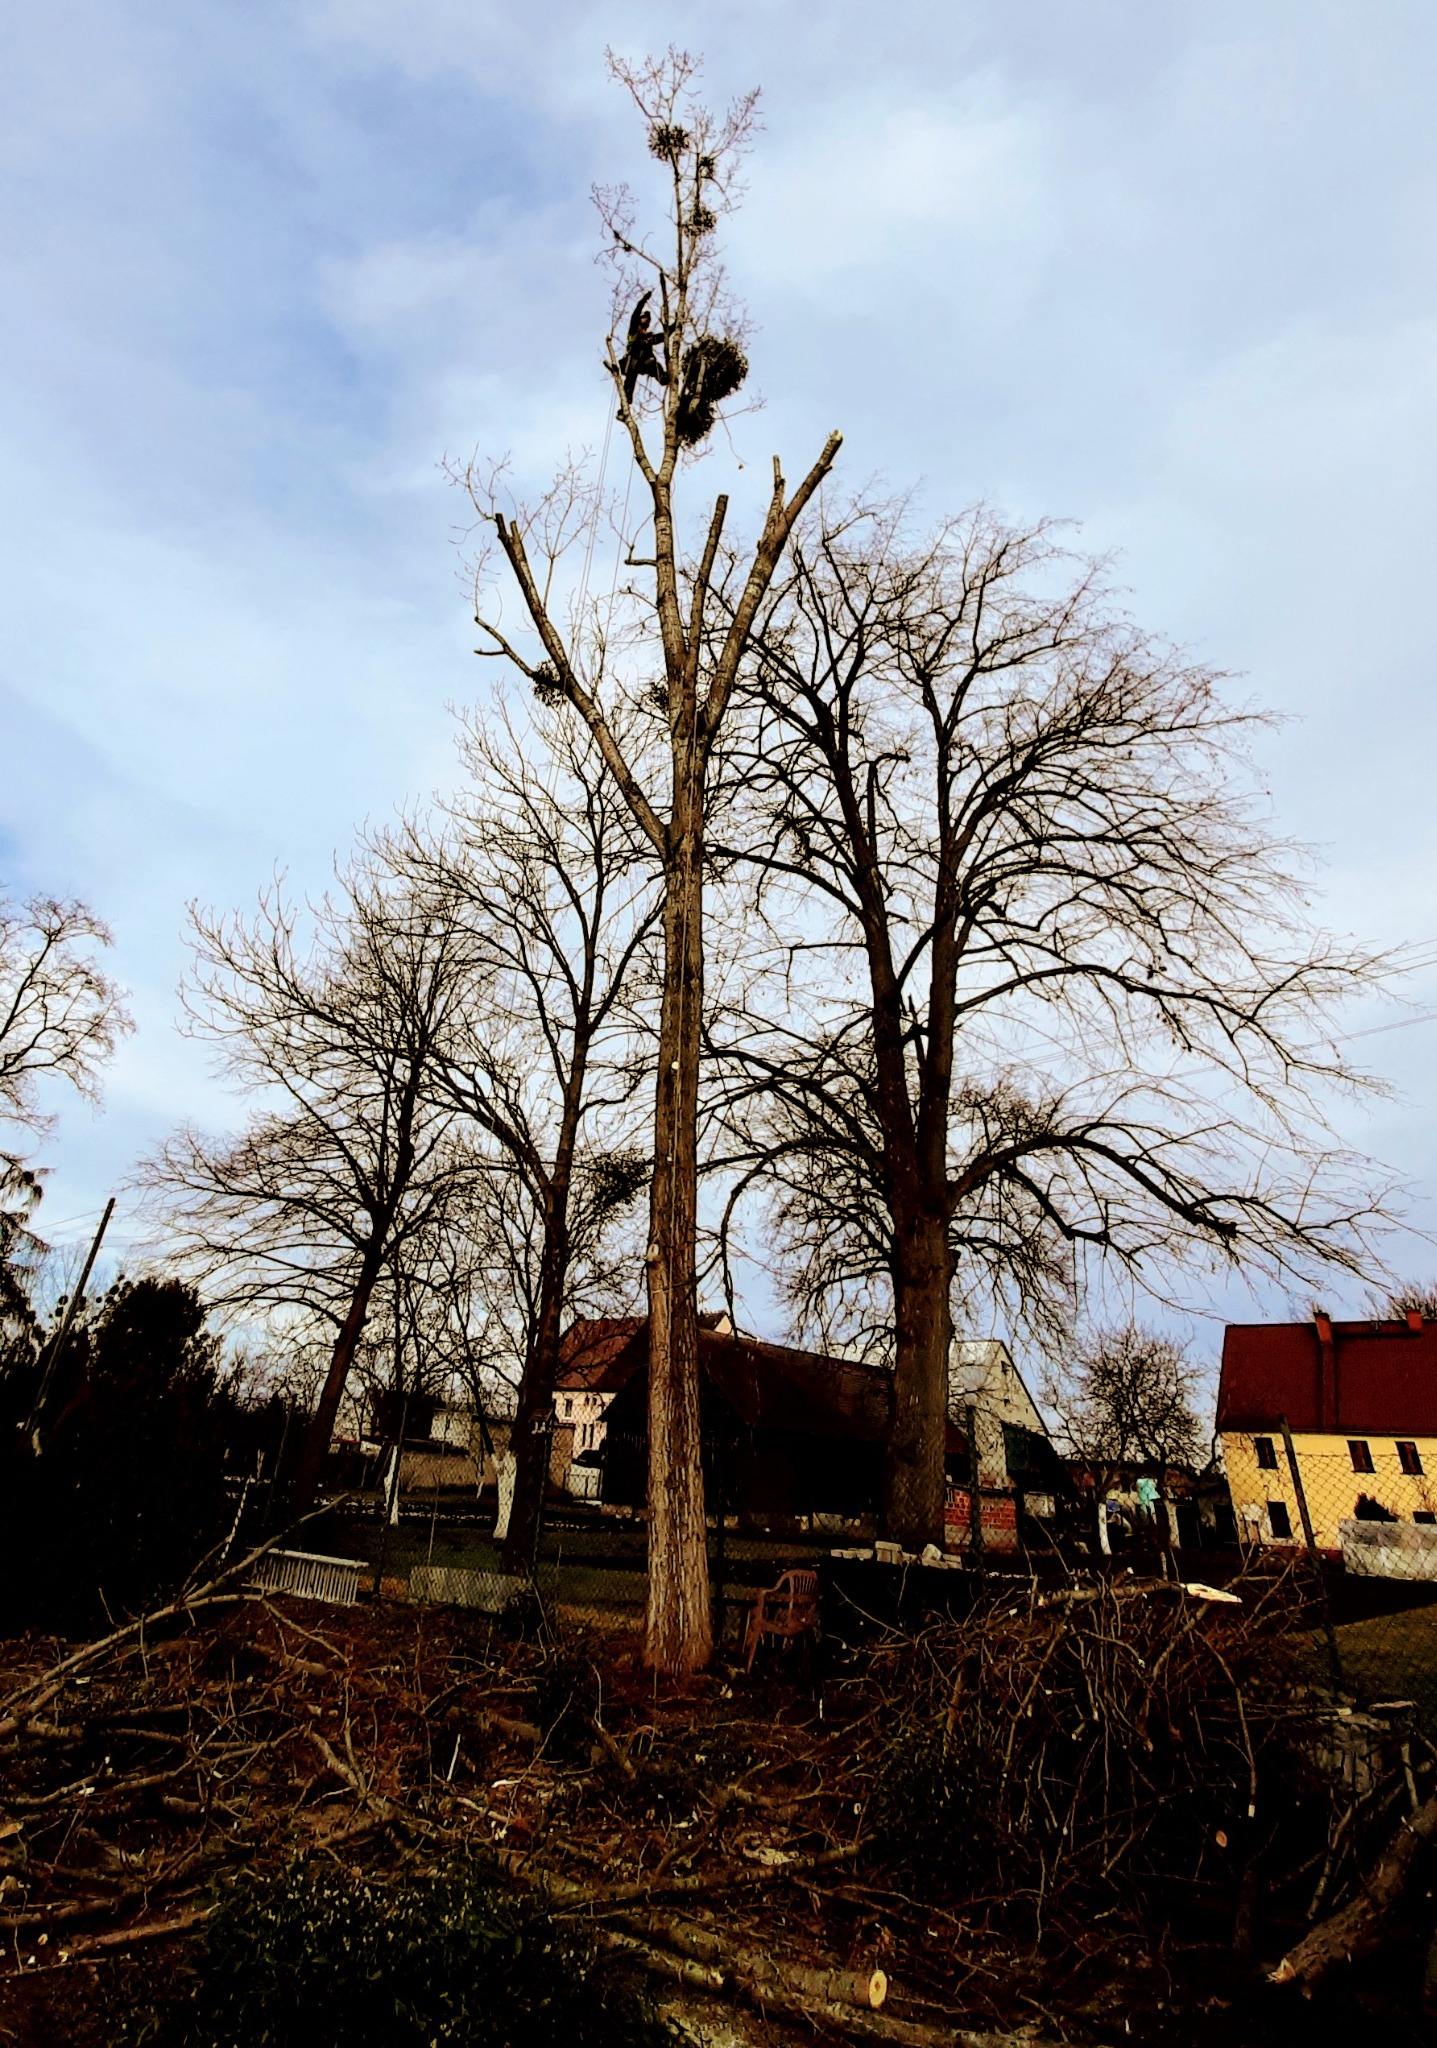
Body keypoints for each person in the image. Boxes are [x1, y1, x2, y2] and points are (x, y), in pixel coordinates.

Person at [620, 291, 667, 408]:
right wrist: (644, 300)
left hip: (645, 362)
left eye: (647, 318)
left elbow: (663, 336)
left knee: (654, 363)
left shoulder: (649, 337)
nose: (646, 319)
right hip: (633, 361)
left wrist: (676, 325)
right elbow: (635, 313)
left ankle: (663, 378)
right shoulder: (634, 330)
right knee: (631, 376)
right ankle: (626, 398)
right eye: (644, 317)